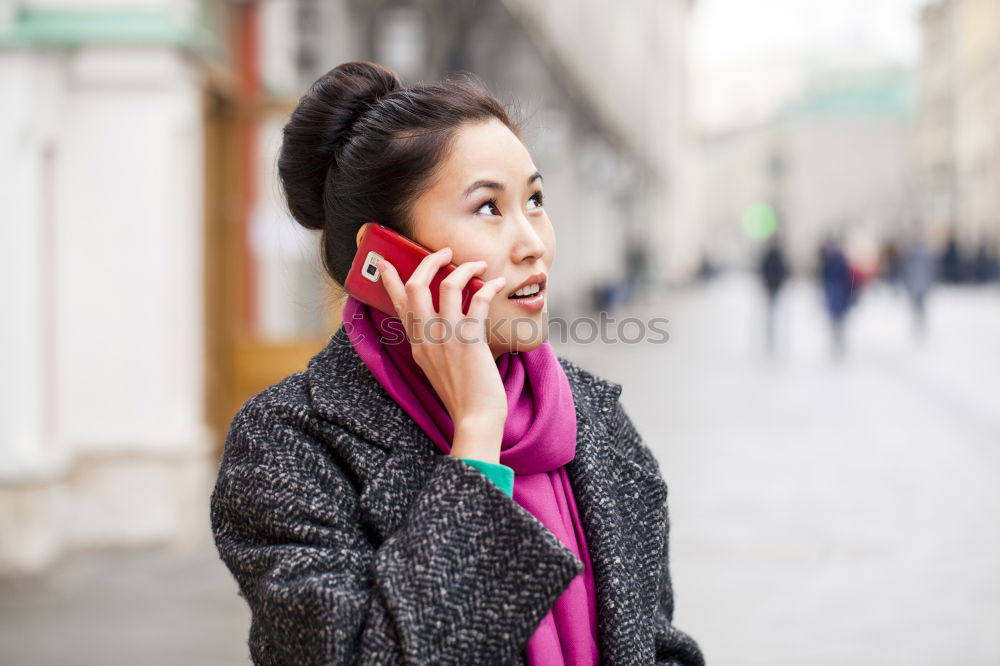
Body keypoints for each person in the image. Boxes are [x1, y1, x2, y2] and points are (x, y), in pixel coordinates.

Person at [209, 61, 704, 665]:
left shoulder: (593, 421)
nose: (533, 243)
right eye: (489, 209)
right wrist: (475, 437)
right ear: (389, 258)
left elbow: (661, 646)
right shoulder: (291, 443)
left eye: (535, 199)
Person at [758, 234, 790, 355]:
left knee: (773, 312)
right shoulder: (769, 256)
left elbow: (784, 271)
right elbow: (763, 270)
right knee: (771, 313)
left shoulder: (779, 256)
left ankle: (773, 335)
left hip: (775, 288)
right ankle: (770, 336)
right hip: (770, 288)